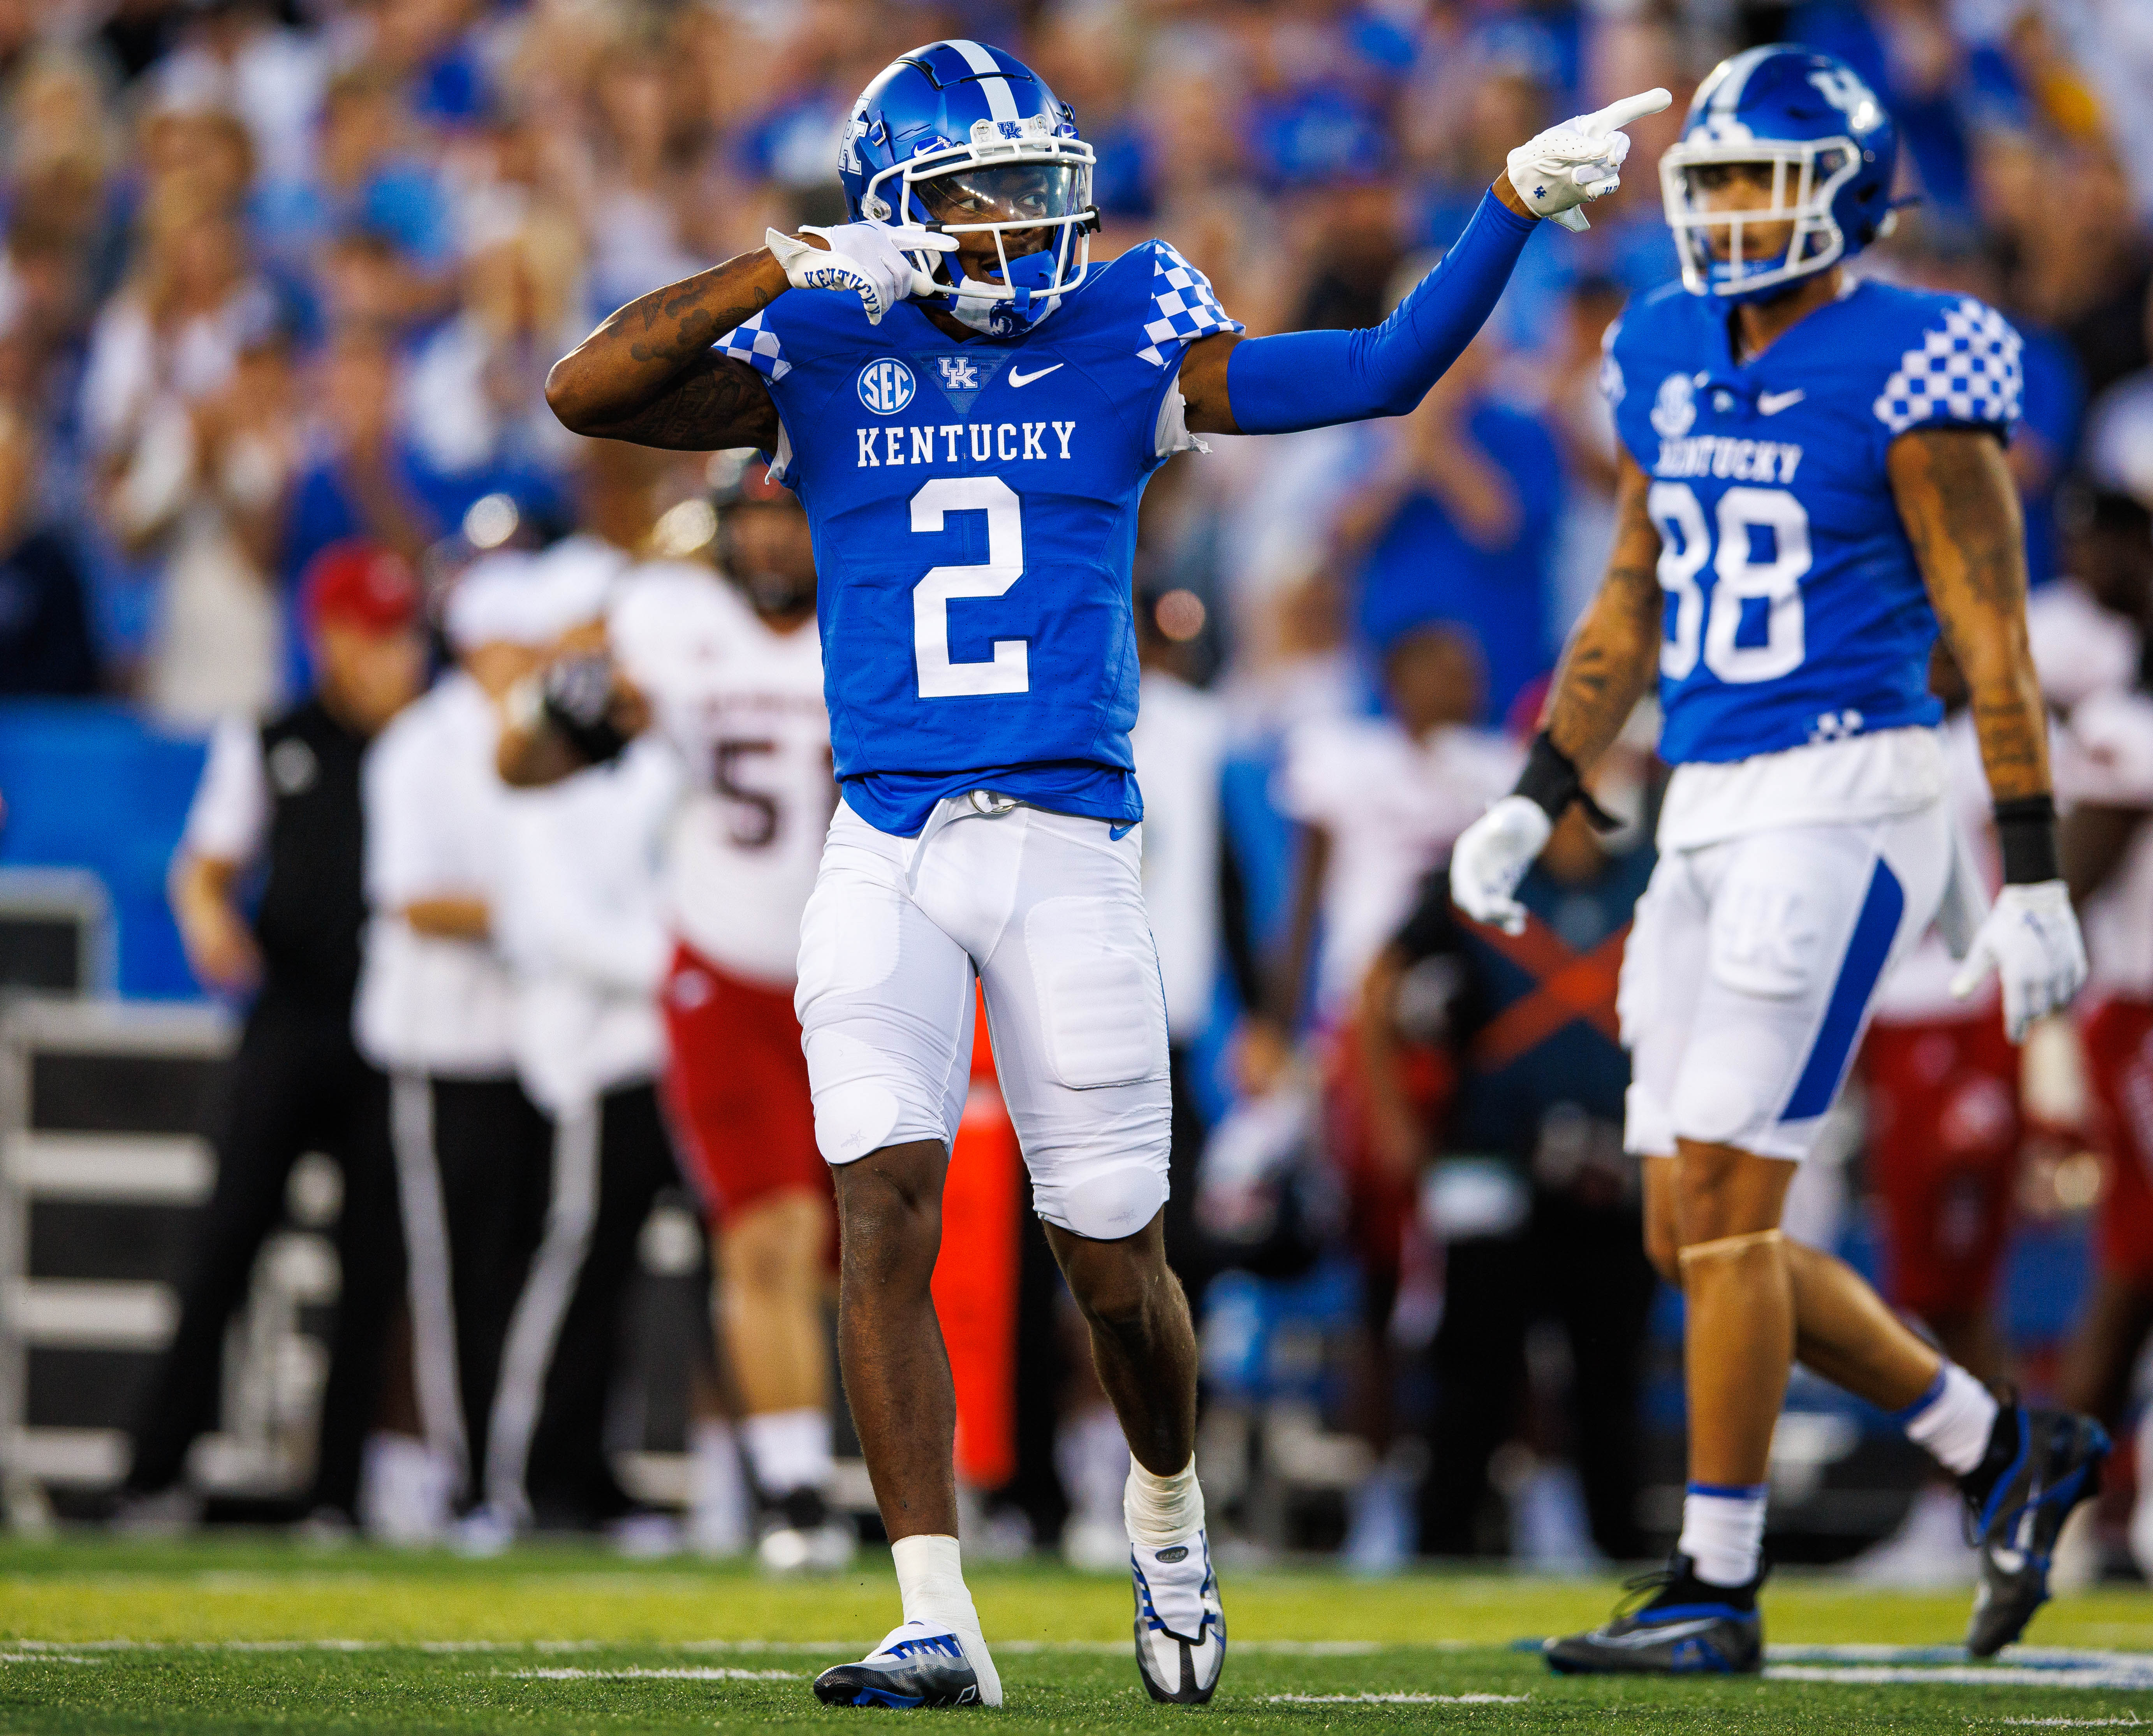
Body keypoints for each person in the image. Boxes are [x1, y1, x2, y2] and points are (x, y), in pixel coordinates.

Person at [543, 37, 1665, 1707]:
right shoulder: (826, 339)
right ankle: (932, 1610)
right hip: (887, 838)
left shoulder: (1124, 323)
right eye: (982, 195)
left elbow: (1377, 372)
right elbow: (587, 391)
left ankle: (1167, 1508)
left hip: (1067, 842)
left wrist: (1503, 202)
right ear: (895, 210)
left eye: (1035, 187)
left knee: (1114, 1265)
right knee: (880, 1208)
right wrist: (784, 266)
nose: (1025, 223)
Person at [1450, 46, 2107, 1674]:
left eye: (1765, 180)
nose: (1733, 211)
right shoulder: (1661, 342)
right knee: (1683, 1227)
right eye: (1715, 180)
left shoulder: (1914, 356)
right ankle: (1998, 1447)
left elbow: (1991, 633)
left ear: (1850, 197)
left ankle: (1714, 1581)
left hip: (1846, 790)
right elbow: (1629, 595)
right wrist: (1538, 790)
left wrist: (2028, 869)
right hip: (1701, 796)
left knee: (1737, 1200)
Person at [499, 458, 853, 1574]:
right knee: (764, 1236)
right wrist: (554, 705)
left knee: (860, 1252)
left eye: (790, 519)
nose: (770, 544)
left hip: (857, 977)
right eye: (753, 521)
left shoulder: (878, 612)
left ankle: (879, 1480)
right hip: (725, 974)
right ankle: (796, 1489)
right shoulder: (671, 625)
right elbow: (525, 767)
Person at [118, 538, 424, 1530]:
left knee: (373, 1268)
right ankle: (154, 1472)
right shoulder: (272, 737)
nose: (394, 658)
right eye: (374, 637)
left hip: (393, 1028)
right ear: (329, 638)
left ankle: (337, 1491)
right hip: (292, 1018)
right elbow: (205, 866)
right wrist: (212, 923)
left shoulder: (432, 747)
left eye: (402, 636)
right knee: (224, 1245)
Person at [1360, 744, 1658, 1564]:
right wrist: (1391, 1118)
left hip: (1614, 1164)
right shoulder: (1480, 873)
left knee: (1611, 1373)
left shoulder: (1655, 878)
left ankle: (1620, 1551)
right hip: (1492, 1157)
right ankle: (1443, 1543)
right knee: (1473, 1368)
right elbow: (1379, 982)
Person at [356, 552, 556, 1532]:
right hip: (440, 1042)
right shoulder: (420, 747)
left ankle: (518, 1474)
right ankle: (461, 1477)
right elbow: (412, 897)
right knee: (448, 1278)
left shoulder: (546, 740)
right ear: (481, 645)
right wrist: (549, 918)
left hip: (537, 1046)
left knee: (520, 1273)